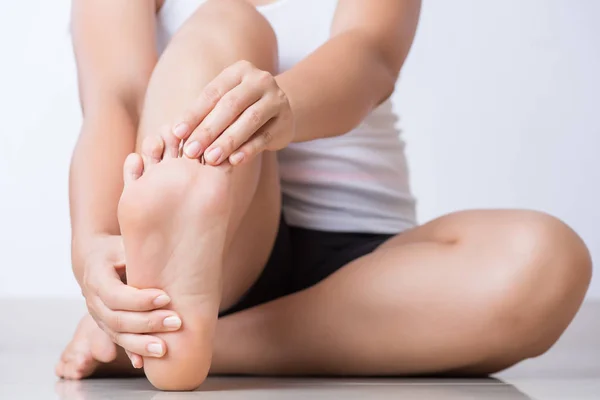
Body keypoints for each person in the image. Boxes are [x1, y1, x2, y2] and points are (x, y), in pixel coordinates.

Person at [55, 0, 592, 391]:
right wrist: (95, 248)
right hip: (232, 247)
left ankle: (173, 341)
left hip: (371, 275)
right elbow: (115, 99)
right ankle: (171, 310)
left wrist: (285, 104)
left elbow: (370, 60)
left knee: (549, 259)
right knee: (227, 21)